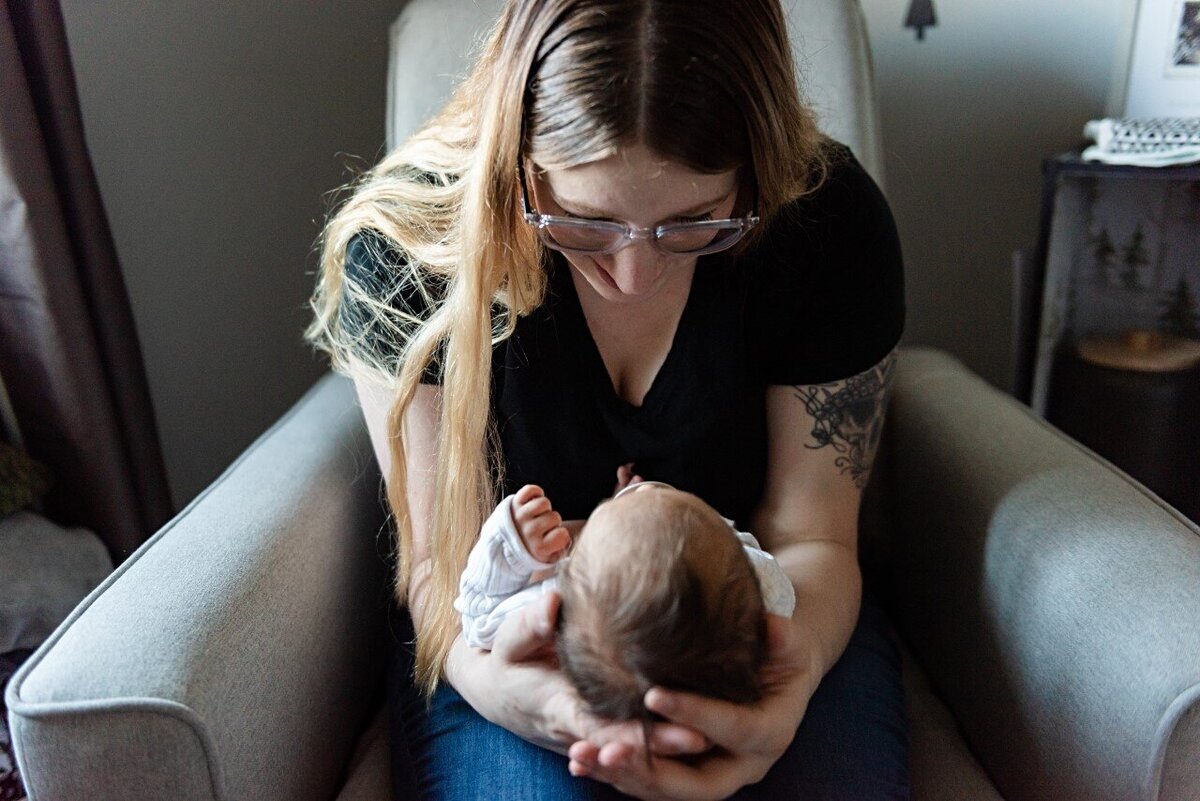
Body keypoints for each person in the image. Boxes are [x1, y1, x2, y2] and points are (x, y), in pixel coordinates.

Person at [305, 0, 909, 797]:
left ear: (753, 173)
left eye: (695, 224)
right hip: (506, 641)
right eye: (584, 224)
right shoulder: (412, 250)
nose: (635, 276)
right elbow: (436, 565)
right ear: (521, 165)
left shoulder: (825, 226)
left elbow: (813, 537)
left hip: (747, 620)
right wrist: (509, 693)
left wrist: (785, 679)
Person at [455, 476, 797, 726]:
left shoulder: (561, 606)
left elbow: (478, 618)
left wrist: (511, 546)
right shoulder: (757, 592)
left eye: (606, 512)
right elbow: (738, 554)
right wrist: (639, 504)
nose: (647, 487)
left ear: (572, 571)